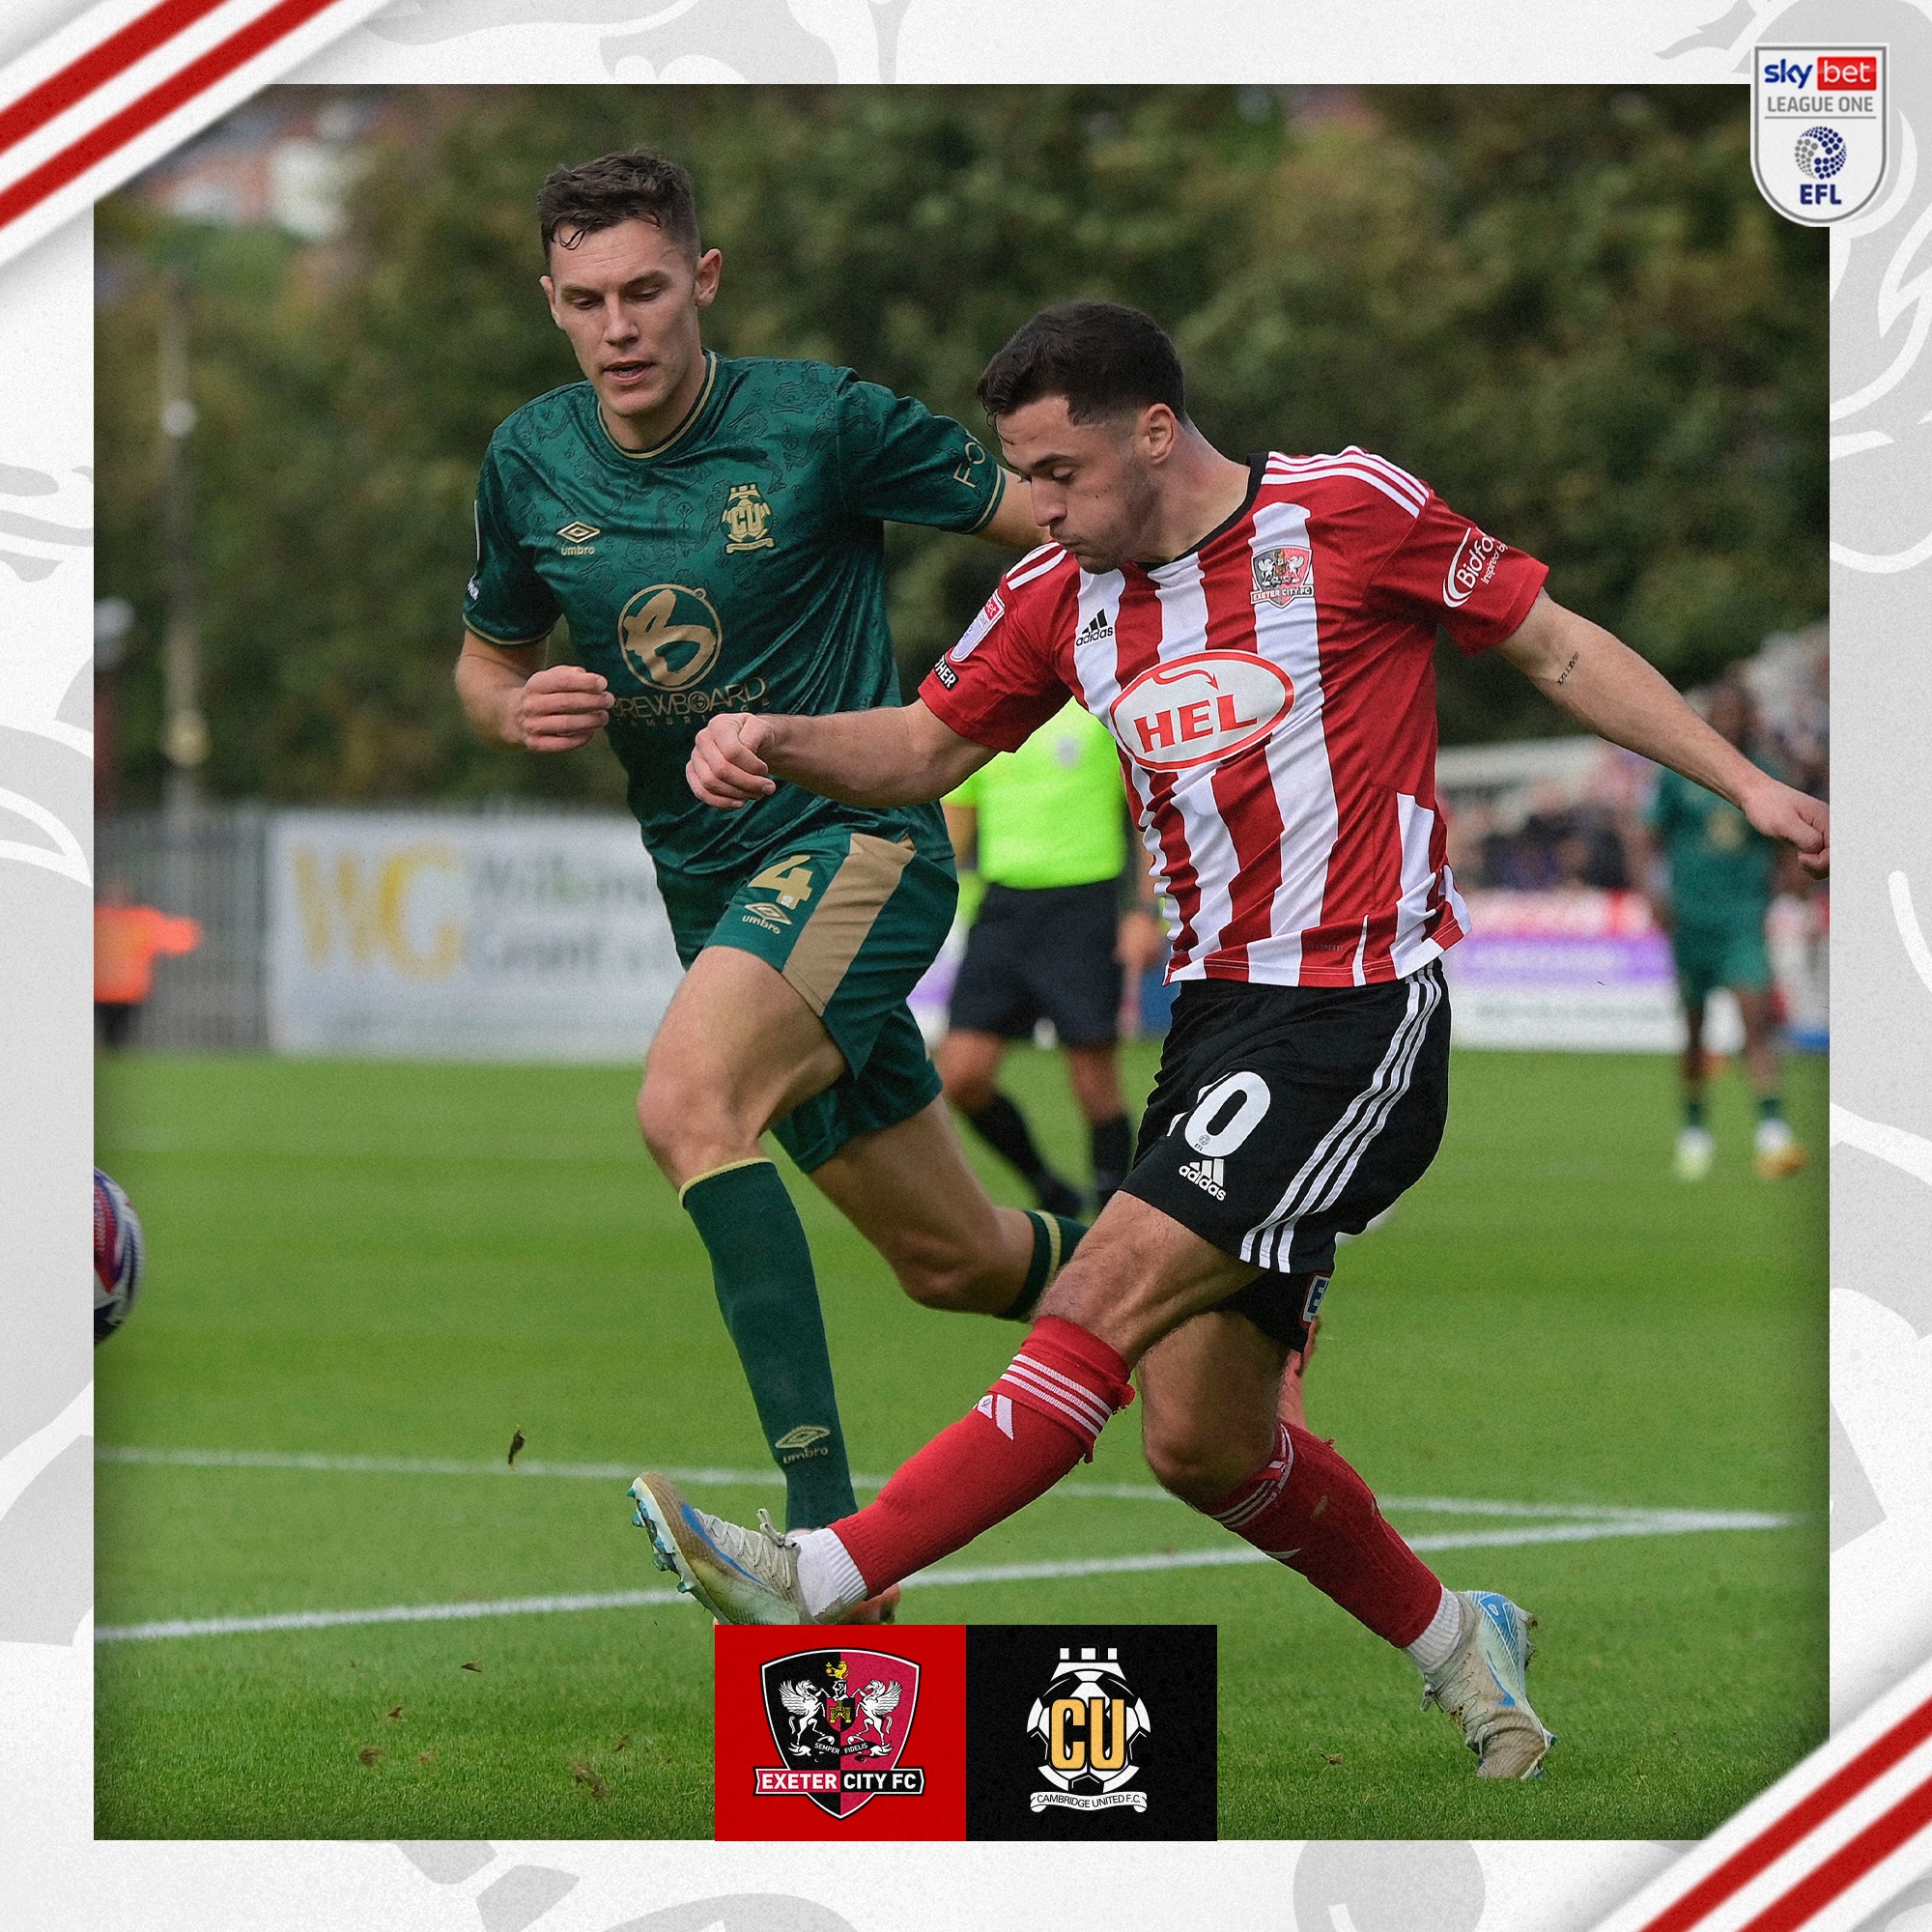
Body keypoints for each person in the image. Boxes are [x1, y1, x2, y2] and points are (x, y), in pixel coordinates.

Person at [633, 299, 1830, 1774]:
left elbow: (1560, 649)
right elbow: (931, 747)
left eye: (1061, 472)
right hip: (1209, 1030)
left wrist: (1747, 787)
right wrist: (776, 738)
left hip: (1355, 1014)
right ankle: (1463, 1637)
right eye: (1025, 476)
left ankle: (823, 1575)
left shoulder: (1345, 514)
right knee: (1203, 1444)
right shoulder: (1059, 594)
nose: (1043, 506)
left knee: (1110, 1283)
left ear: (1154, 431)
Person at [453, 151, 1087, 1577]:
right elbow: (487, 662)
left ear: (705, 281)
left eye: (645, 291)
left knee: (688, 1104)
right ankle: (1221, 1283)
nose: (619, 327)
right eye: (586, 300)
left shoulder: (821, 421)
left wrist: (1009, 690)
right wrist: (510, 704)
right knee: (959, 1263)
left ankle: (821, 1556)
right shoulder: (529, 460)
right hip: (715, 898)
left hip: (855, 847)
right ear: (551, 304)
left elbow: (1054, 525)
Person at [937, 699, 1167, 1214]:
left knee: (1093, 1080)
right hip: (1000, 912)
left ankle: (1113, 1214)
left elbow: (1146, 818)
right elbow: (951, 835)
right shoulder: (986, 718)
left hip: (1084, 908)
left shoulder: (1098, 710)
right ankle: (1046, 1187)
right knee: (961, 1077)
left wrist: (1144, 912)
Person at [1641, 679, 1809, 1182]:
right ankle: (1694, 1129)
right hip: (1690, 921)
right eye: (1723, 711)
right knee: (1694, 1030)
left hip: (1742, 920)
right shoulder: (1679, 775)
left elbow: (1788, 843)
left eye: (1739, 712)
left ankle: (1772, 1132)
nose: (1731, 720)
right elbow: (1646, 836)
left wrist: (1789, 885)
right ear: (1711, 715)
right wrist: (1653, 894)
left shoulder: (1769, 774)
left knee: (1755, 1018)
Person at [94, 884, 202, 1048]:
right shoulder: (97, 920)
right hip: (100, 991)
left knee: (120, 1035)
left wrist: (190, 933)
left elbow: (172, 936)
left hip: (130, 991)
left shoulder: (140, 921)